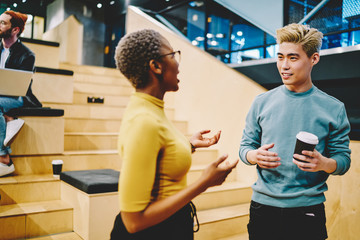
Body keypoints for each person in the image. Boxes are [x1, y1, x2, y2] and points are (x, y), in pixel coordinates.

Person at [110, 29, 238, 239]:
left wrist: (187, 144)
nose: (178, 63)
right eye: (172, 55)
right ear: (156, 66)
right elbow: (133, 222)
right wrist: (204, 182)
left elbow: (158, 153)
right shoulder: (144, 121)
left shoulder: (152, 109)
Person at [239, 23, 351, 240]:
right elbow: (245, 147)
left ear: (314, 59)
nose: (284, 66)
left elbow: (343, 160)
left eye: (293, 58)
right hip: (263, 207)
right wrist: (254, 155)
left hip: (307, 211)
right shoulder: (261, 102)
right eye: (280, 57)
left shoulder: (334, 108)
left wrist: (324, 163)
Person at [0, 10, 41, 177]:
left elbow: (21, 86)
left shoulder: (26, 54)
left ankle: (4, 157)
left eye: (3, 23)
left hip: (17, 97)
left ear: (15, 30)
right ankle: (8, 118)